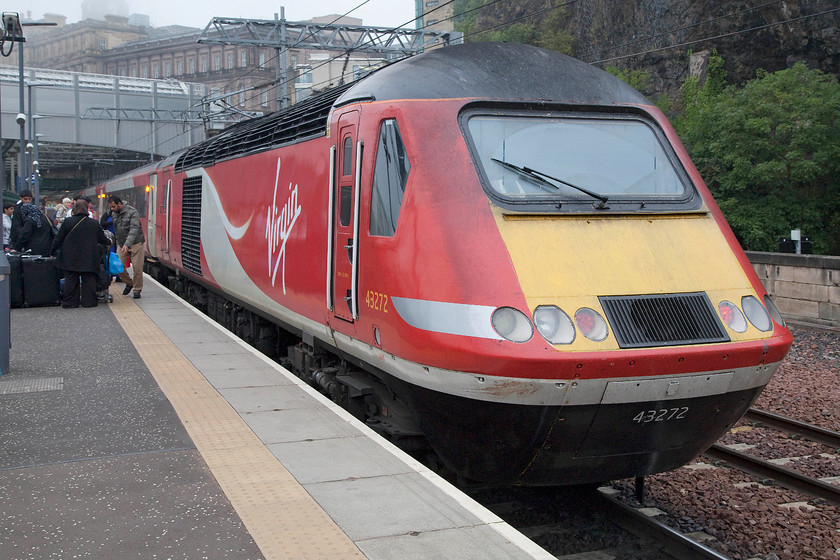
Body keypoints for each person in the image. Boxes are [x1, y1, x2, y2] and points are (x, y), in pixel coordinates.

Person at [51, 199, 109, 308]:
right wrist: (109, 241)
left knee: (71, 279)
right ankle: (89, 302)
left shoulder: (68, 222)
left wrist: (52, 251)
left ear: (75, 209)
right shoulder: (93, 223)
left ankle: (70, 302)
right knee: (89, 279)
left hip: (70, 256)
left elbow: (58, 239)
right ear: (87, 209)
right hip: (89, 256)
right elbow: (102, 239)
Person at [105, 195, 145, 299]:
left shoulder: (133, 212)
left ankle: (137, 290)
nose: (112, 209)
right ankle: (129, 283)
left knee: (137, 268)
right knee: (117, 267)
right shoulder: (114, 214)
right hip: (121, 244)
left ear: (119, 204)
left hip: (136, 243)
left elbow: (134, 229)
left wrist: (128, 244)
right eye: (111, 207)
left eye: (113, 206)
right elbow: (116, 230)